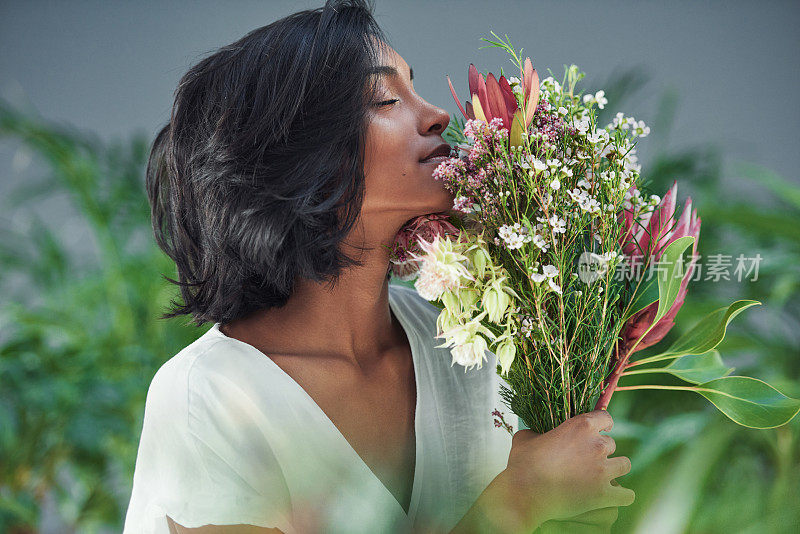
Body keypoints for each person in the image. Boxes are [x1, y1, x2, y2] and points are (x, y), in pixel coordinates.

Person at [122, 1, 635, 532]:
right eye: (385, 98)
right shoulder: (208, 398)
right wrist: (518, 501)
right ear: (297, 154)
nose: (438, 114)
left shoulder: (469, 342)